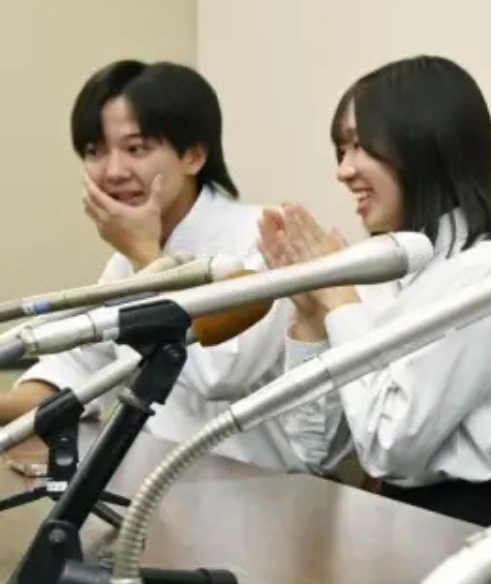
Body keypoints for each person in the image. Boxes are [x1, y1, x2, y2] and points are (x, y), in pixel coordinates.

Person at [259, 55, 491, 524]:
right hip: (385, 515)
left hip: (471, 521)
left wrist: (341, 301)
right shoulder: (378, 270)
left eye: (359, 146)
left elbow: (390, 449)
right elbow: (314, 450)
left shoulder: (487, 271)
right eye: (341, 150)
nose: (343, 171)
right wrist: (310, 318)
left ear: (424, 144)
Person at [2, 60, 301, 470]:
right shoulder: (127, 257)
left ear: (194, 155)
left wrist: (146, 255)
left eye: (136, 149)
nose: (113, 172)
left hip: (262, 486)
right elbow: (79, 367)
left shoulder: (263, 238)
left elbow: (218, 374)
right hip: (159, 480)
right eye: (95, 151)